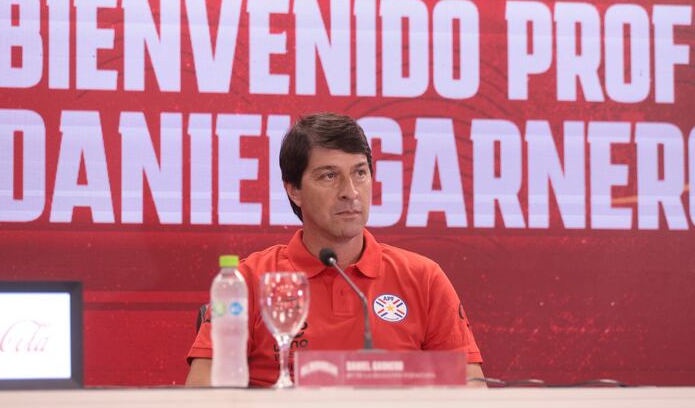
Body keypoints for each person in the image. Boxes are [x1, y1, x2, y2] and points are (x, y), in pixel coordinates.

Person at [185, 113, 485, 387]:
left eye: (360, 173)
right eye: (329, 175)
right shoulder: (248, 279)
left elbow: (471, 389)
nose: (350, 192)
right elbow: (202, 394)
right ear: (294, 190)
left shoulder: (424, 278)